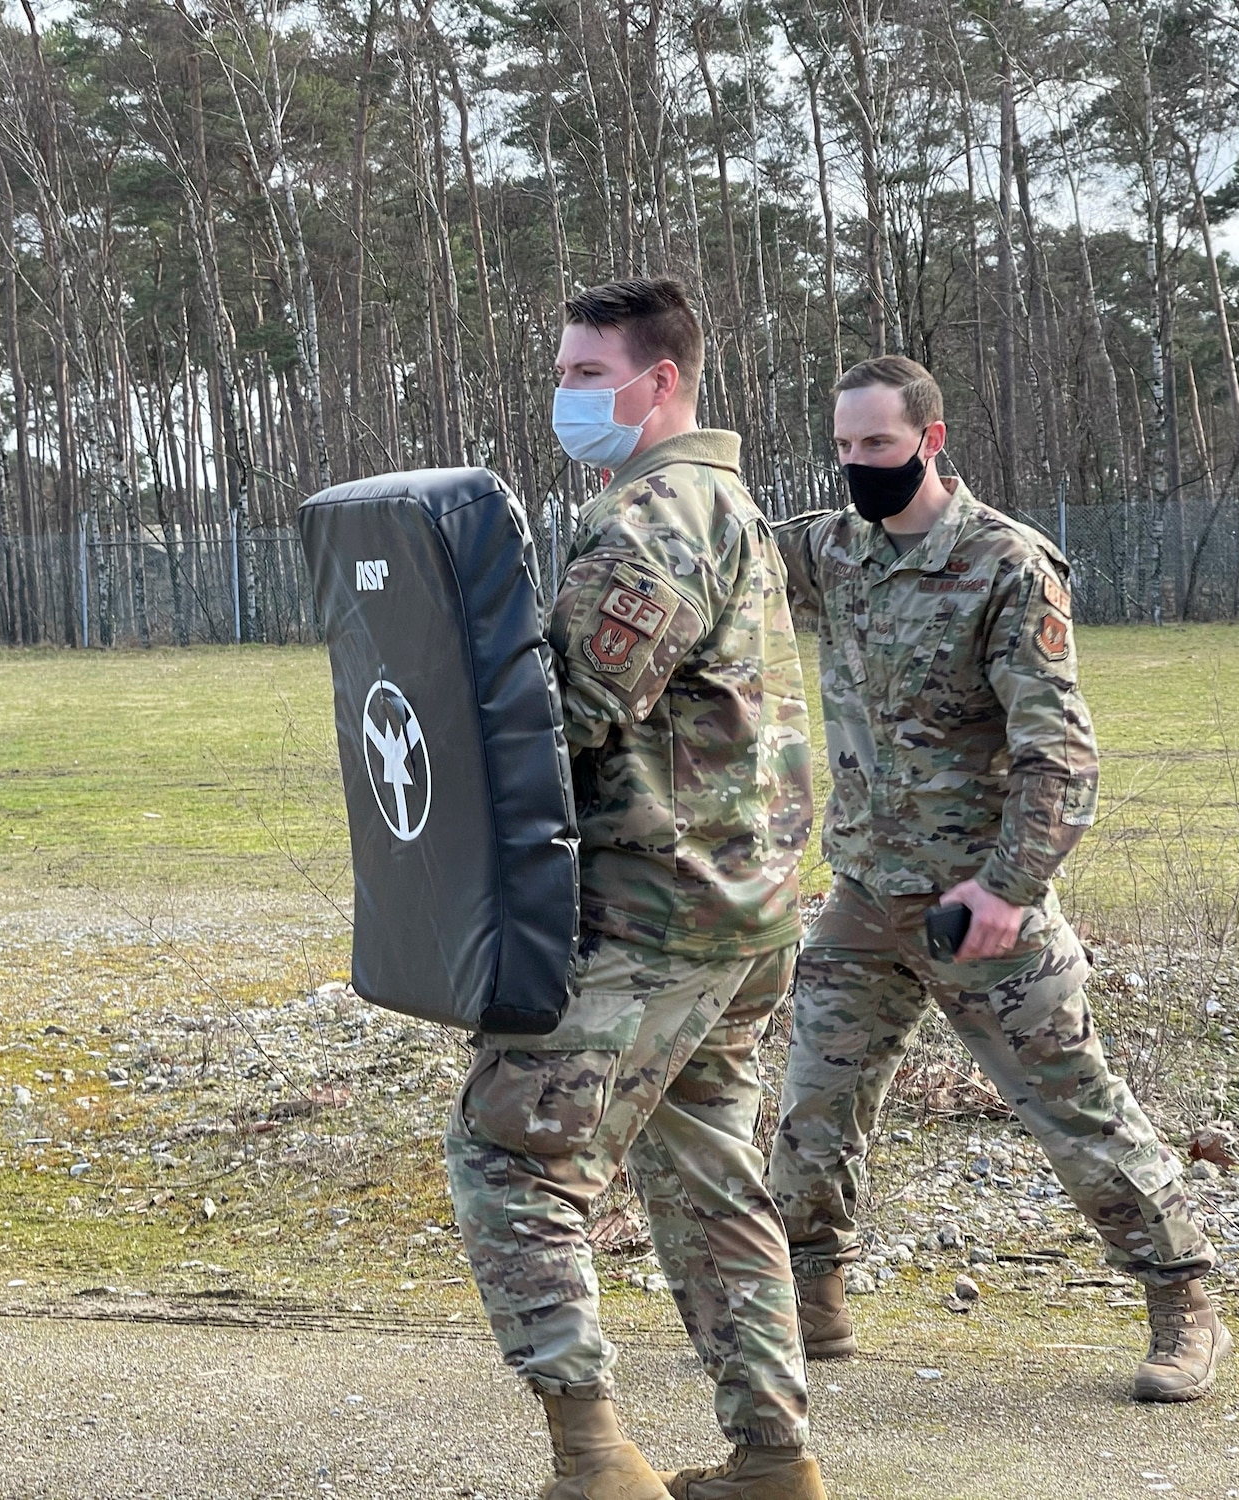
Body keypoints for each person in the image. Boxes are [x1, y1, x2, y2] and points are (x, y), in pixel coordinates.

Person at [764, 355, 1225, 1402]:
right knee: (812, 1109)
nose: (855, 466)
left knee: (1073, 1109)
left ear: (927, 441)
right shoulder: (833, 550)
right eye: (841, 447)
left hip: (979, 912)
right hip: (863, 900)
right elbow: (722, 548)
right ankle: (812, 1298)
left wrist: (1007, 889)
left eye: (874, 445)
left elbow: (1058, 754)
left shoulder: (1004, 565)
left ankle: (1181, 1300)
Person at [445, 279, 825, 1500]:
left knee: (512, 1157)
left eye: (581, 375)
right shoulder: (726, 504)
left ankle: (592, 1459)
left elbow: (564, 717)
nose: (563, 396)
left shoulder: (653, 517)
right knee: (705, 1168)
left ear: (657, 383)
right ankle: (772, 1458)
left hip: (652, 913)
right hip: (741, 905)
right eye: (560, 373)